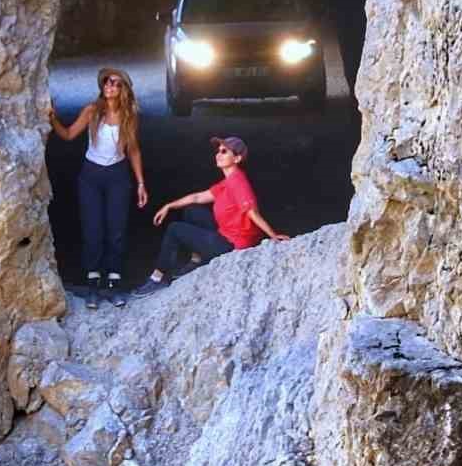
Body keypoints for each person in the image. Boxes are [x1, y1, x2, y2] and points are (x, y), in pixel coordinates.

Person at [132, 135, 287, 296]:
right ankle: (196, 260)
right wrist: (168, 206)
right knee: (192, 211)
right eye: (218, 151)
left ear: (237, 158)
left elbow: (252, 212)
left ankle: (158, 278)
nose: (218, 154)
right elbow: (198, 197)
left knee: (174, 229)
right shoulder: (229, 181)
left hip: (231, 246)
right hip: (226, 234)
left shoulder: (238, 183)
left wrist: (273, 236)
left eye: (224, 152)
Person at [50, 68, 148, 309]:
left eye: (115, 83)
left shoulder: (130, 115)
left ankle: (114, 284)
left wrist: (141, 183)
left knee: (116, 231)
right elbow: (69, 134)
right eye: (106, 83)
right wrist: (52, 119)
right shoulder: (92, 111)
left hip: (117, 175)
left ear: (123, 88)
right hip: (91, 176)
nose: (109, 87)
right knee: (93, 231)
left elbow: (133, 150)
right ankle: (93, 285)